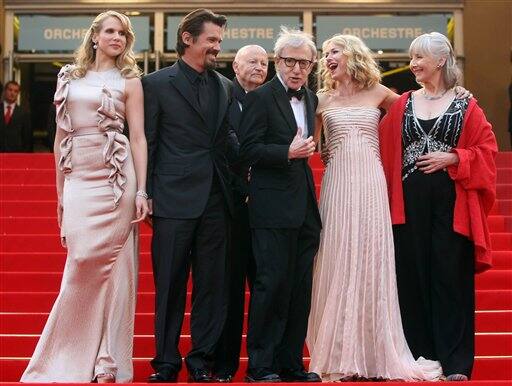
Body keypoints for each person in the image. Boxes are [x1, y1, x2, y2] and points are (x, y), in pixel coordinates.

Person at [306, 34, 444, 382]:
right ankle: (338, 352)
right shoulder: (320, 99)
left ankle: (372, 352)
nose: (327, 58)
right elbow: (308, 144)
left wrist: (454, 99)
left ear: (352, 55)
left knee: (370, 256)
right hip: (337, 184)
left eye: (333, 51)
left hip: (371, 184)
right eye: (325, 54)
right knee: (336, 257)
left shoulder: (381, 93)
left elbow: (421, 115)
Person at [20, 10, 149, 383]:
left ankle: (107, 359)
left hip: (115, 177)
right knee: (79, 262)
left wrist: (141, 189)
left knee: (115, 267)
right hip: (79, 174)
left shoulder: (130, 81)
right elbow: (61, 136)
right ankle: (66, 355)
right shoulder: (69, 77)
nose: (117, 38)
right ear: (94, 36)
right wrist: (61, 192)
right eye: (110, 31)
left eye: (123, 33)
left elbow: (138, 136)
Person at [379, 32, 497, 381]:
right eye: (412, 56)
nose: (412, 63)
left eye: (419, 57)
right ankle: (421, 357)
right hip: (407, 205)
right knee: (411, 279)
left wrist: (454, 157)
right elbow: (380, 146)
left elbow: (487, 152)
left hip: (451, 204)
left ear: (441, 61)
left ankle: (456, 364)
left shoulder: (467, 105)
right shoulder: (402, 103)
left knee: (450, 281)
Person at [142, 9, 234, 383]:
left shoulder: (225, 86)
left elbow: (228, 141)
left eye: (219, 41)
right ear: (187, 38)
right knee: (169, 284)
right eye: (211, 40)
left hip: (216, 199)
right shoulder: (155, 84)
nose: (217, 47)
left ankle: (201, 359)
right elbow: (147, 141)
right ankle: (165, 361)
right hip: (172, 197)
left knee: (211, 286)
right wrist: (144, 192)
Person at [238, 27, 322, 383]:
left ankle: (290, 363)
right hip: (271, 207)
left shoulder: (313, 98)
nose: (296, 69)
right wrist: (285, 152)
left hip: (304, 206)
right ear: (278, 62)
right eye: (290, 61)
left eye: (304, 62)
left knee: (299, 288)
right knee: (271, 285)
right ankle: (261, 366)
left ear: (312, 65)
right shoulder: (260, 98)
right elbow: (245, 150)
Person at [213, 44, 269, 383]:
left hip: (266, 206)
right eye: (252, 61)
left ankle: (263, 363)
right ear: (235, 65)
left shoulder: (273, 100)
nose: (259, 67)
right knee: (228, 288)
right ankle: (224, 364)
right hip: (229, 204)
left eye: (264, 63)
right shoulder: (221, 95)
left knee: (265, 285)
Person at [0, 80, 32, 152]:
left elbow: (27, 137)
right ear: (5, 91)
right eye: (10, 90)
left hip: (16, 153)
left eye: (15, 91)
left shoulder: (23, 113)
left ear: (18, 94)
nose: (12, 93)